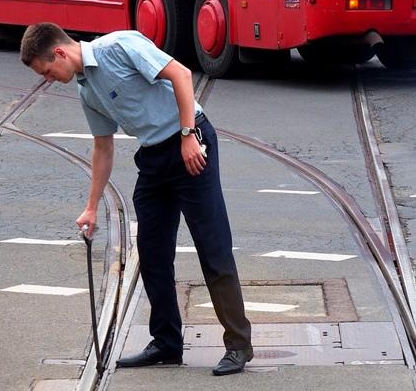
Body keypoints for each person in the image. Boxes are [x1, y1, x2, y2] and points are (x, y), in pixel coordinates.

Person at [20, 23, 253, 376]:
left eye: (48, 72)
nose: (49, 79)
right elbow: (103, 147)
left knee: (213, 246)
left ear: (60, 53)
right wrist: (92, 207)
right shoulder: (87, 91)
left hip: (191, 142)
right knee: (152, 252)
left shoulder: (120, 46)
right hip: (153, 158)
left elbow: (181, 74)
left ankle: (238, 345)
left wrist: (188, 135)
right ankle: (167, 343)